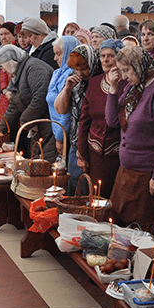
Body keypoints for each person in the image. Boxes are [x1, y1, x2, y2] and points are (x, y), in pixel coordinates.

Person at [105, 45, 154, 244]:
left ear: (139, 65)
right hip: (127, 171)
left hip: (147, 175)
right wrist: (112, 89)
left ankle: (147, 272)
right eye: (120, 71)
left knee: (145, 231)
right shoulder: (134, 87)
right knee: (122, 227)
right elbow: (113, 121)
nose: (124, 76)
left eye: (126, 70)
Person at [77, 39, 123, 199]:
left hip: (118, 154)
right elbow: (84, 121)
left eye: (110, 55)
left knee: (115, 198)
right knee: (95, 196)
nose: (105, 59)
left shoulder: (127, 84)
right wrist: (81, 154)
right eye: (103, 56)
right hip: (94, 153)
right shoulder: (95, 82)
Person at [0, 45, 56, 160]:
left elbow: (40, 97)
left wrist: (24, 120)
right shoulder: (19, 72)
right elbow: (14, 104)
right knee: (36, 159)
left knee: (45, 161)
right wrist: (0, 130)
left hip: (47, 123)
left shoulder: (34, 68)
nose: (3, 70)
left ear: (11, 61)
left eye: (3, 66)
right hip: (36, 123)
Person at [55, 44, 100, 195]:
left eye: (84, 69)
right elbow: (60, 109)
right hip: (75, 141)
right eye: (77, 70)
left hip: (93, 144)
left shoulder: (100, 83)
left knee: (89, 187)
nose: (80, 74)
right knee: (75, 184)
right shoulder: (75, 82)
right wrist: (67, 88)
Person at [46, 36, 79, 165]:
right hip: (56, 130)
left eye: (59, 54)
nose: (55, 58)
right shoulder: (57, 73)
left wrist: (60, 137)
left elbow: (66, 110)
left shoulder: (72, 75)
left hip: (66, 133)